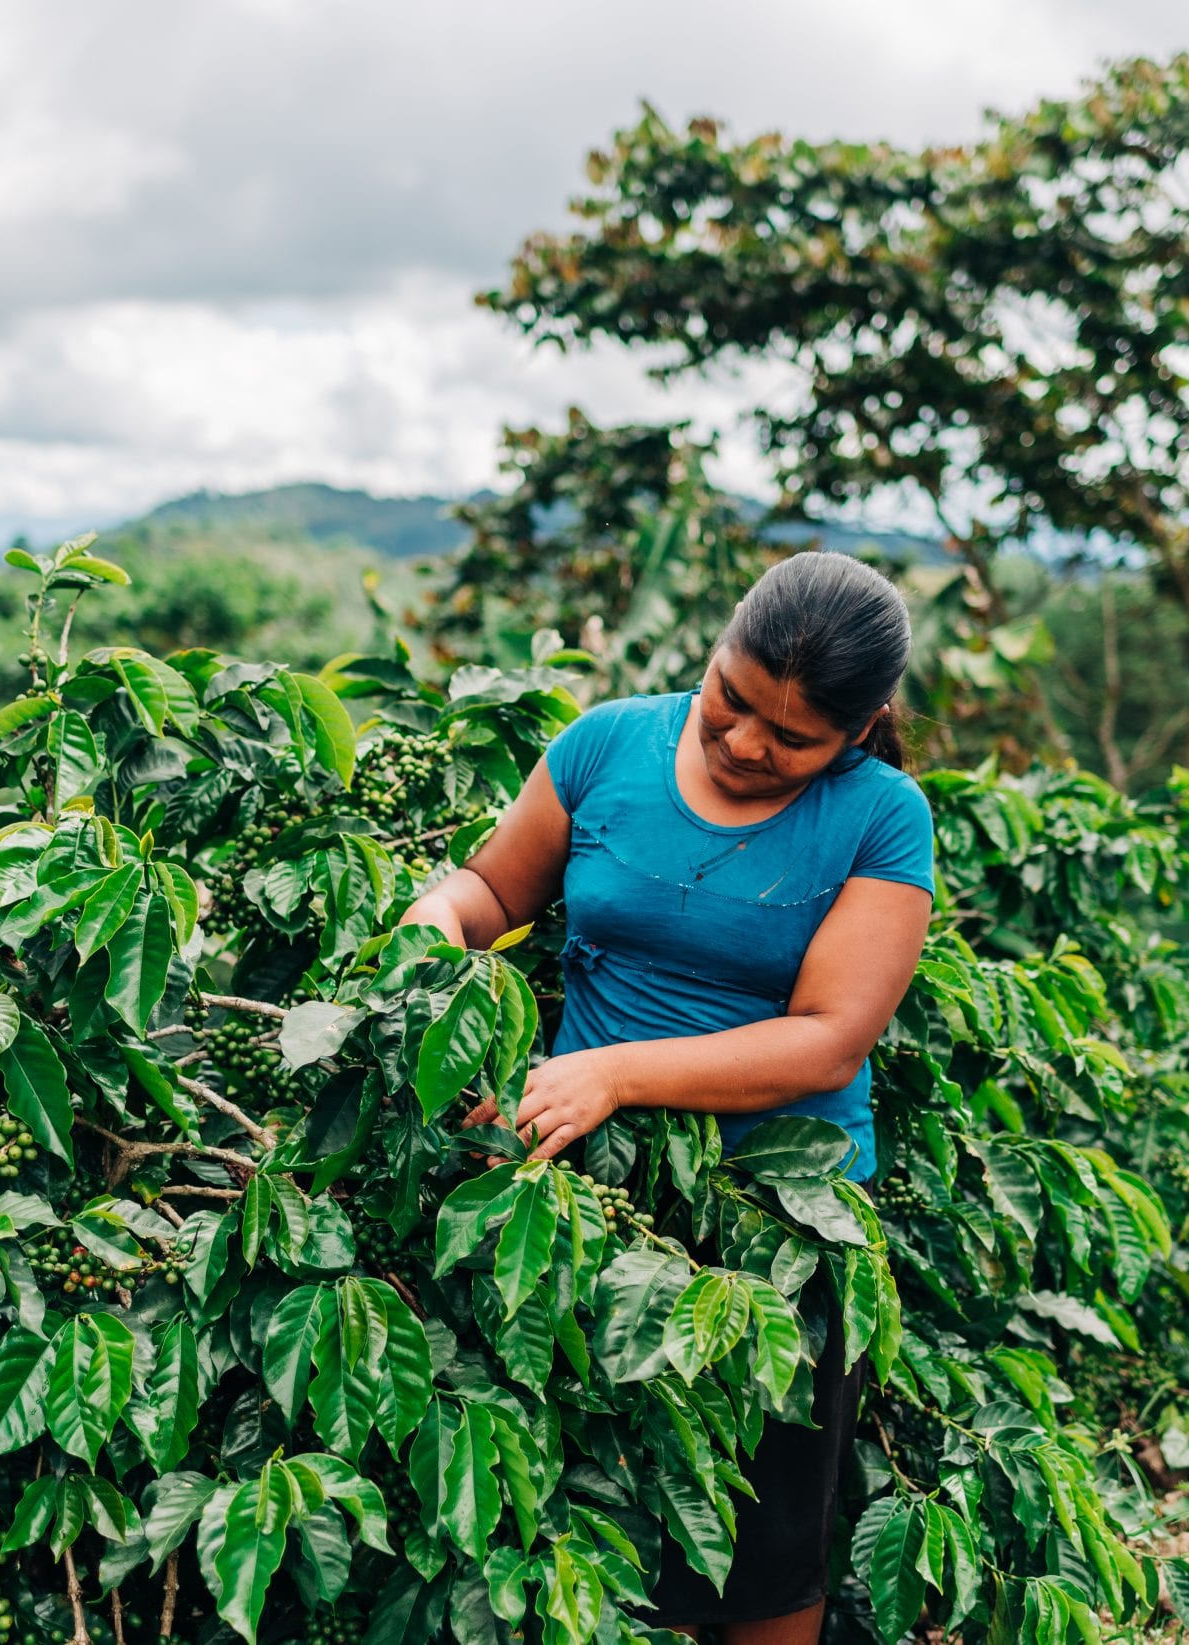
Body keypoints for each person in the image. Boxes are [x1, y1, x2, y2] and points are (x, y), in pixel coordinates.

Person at [402, 550, 935, 1644]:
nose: (744, 743)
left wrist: (613, 1070)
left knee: (766, 1550)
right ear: (712, 648)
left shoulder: (882, 818)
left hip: (777, 1224)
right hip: (586, 1197)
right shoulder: (605, 744)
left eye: (790, 739)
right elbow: (497, 887)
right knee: (591, 1511)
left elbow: (830, 1040)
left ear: (859, 728)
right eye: (728, 700)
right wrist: (434, 923)